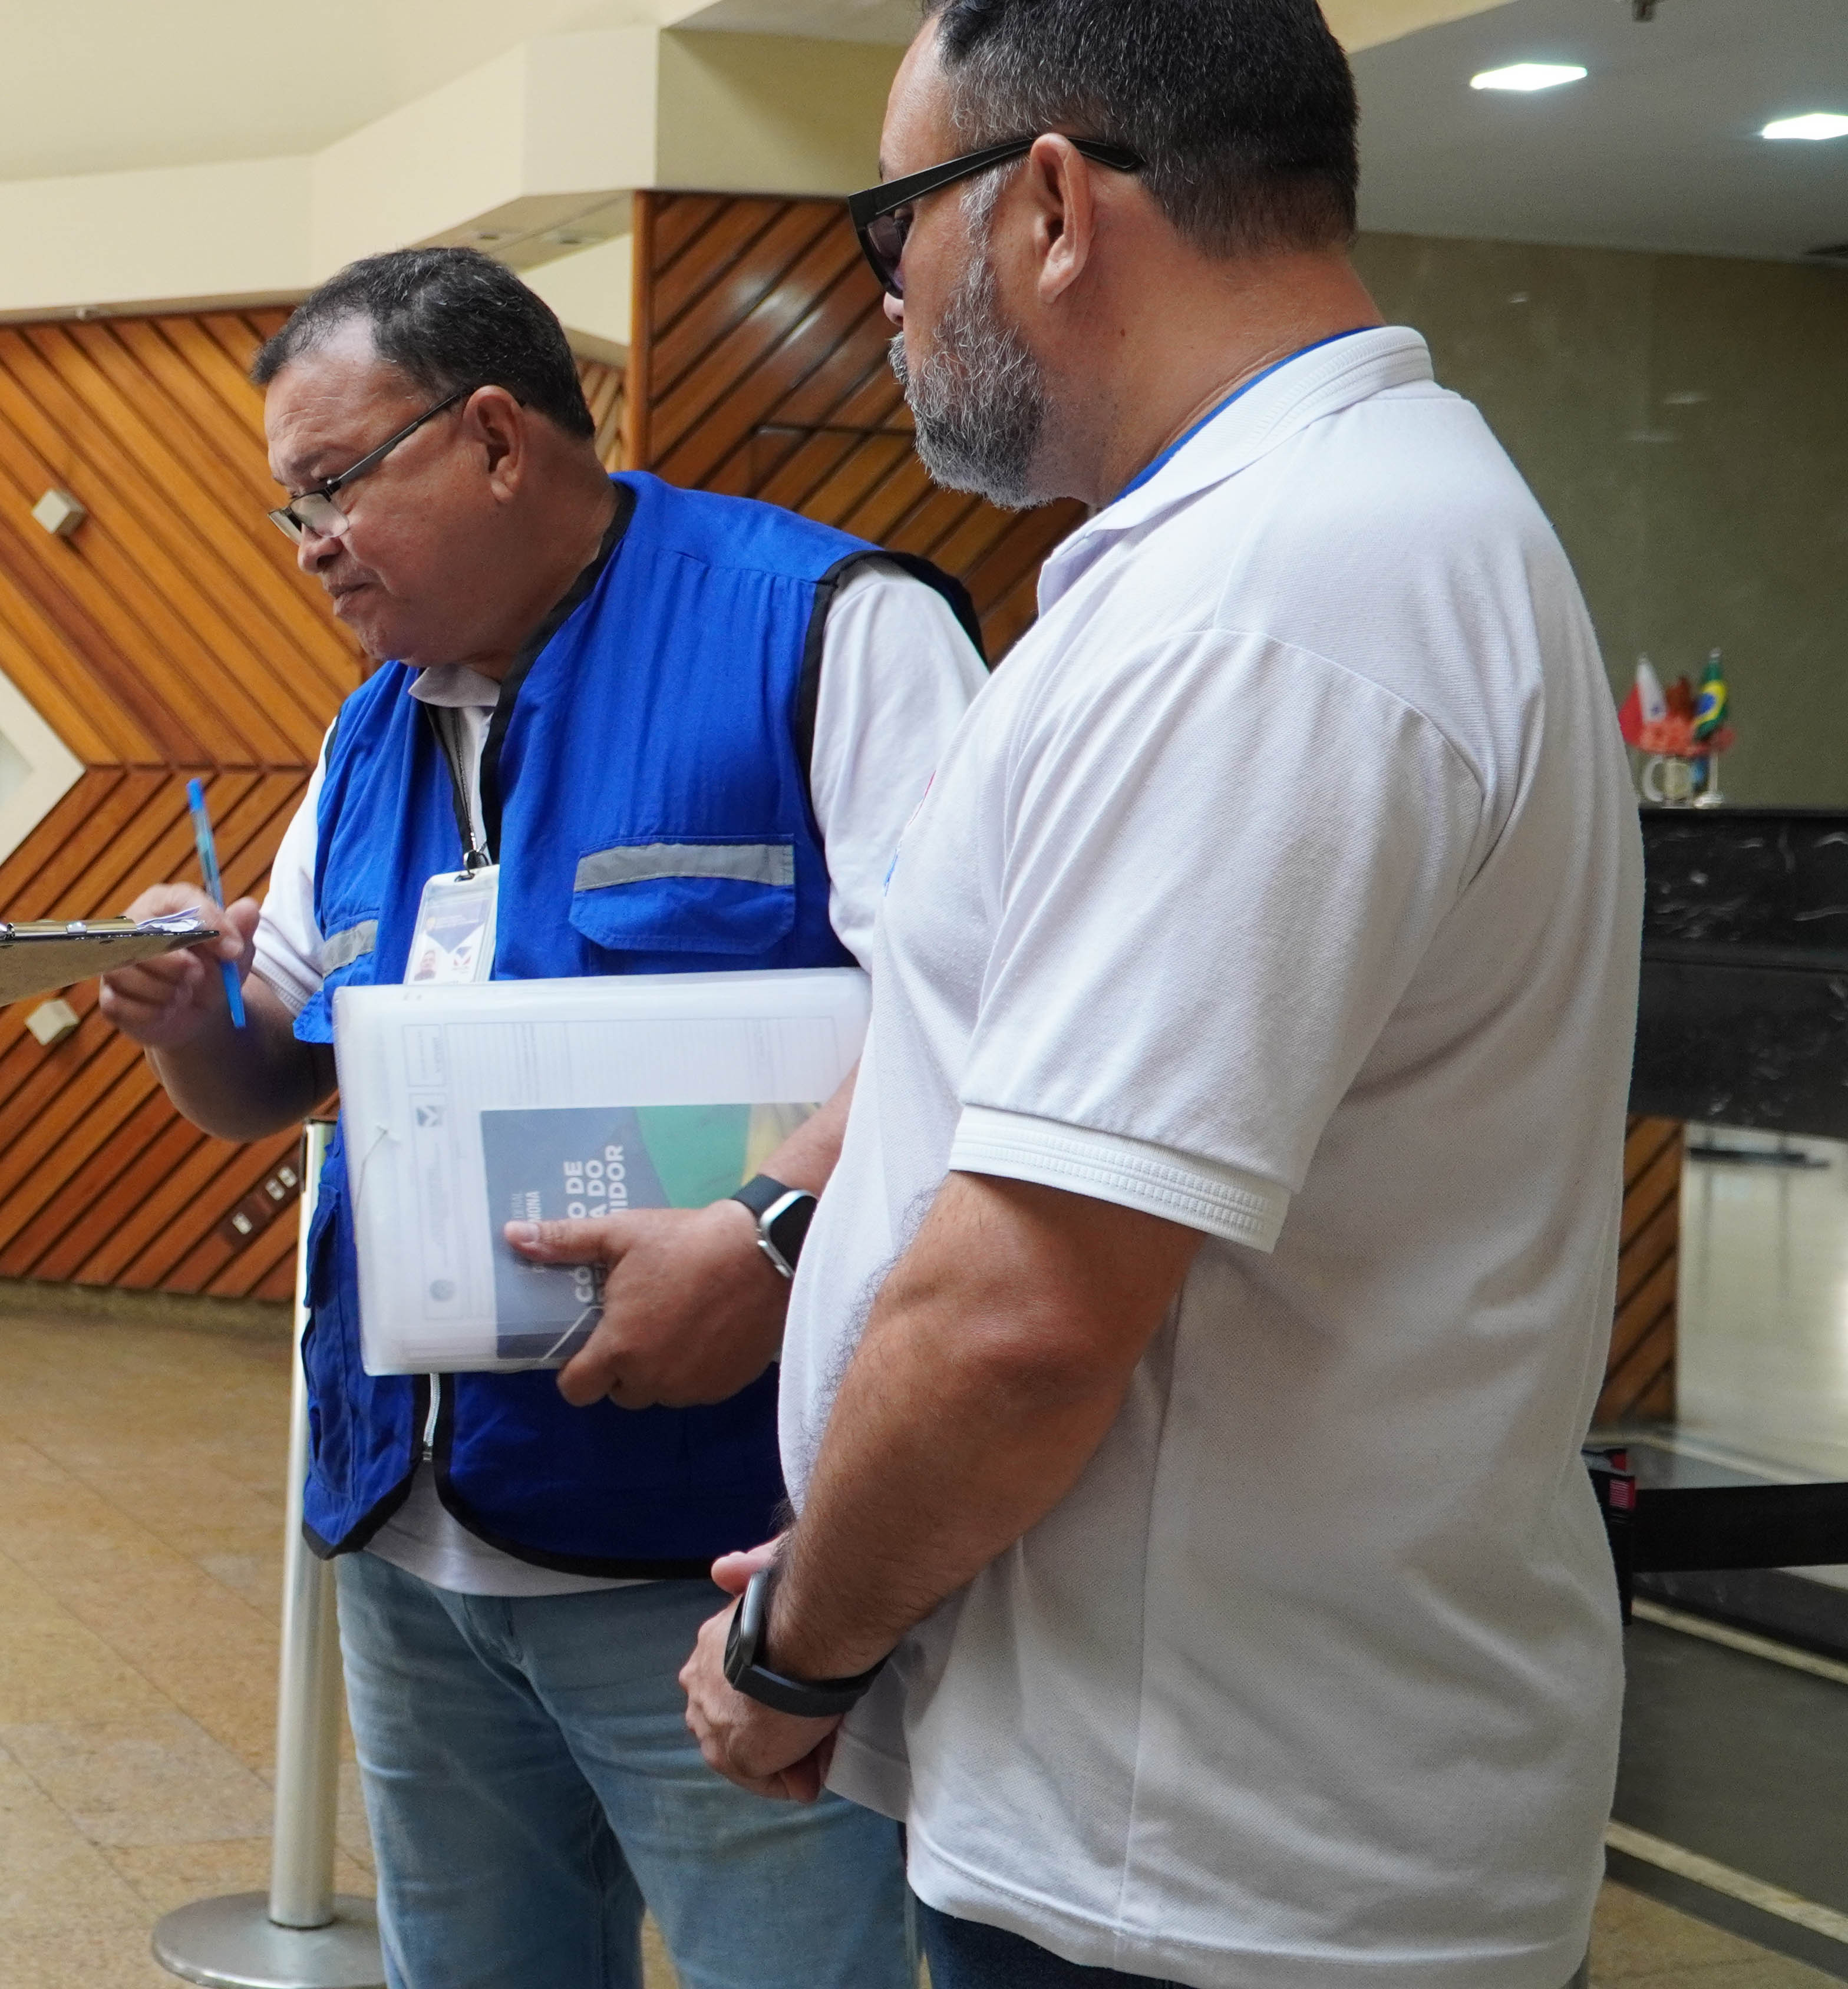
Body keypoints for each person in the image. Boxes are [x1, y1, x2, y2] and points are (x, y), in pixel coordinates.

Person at [675, 5, 1639, 1986]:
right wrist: (864, 1547)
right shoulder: (1290, 543)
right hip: (1184, 1787)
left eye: (892, 223)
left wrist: (796, 1649)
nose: (882, 297)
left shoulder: (1269, 602)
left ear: (1047, 206)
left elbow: (1023, 1323)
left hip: (1204, 1864)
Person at [98, 247, 989, 1988]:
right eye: (289, 512)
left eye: (334, 488)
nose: (310, 547)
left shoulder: (825, 630)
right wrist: (186, 1013)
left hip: (721, 1566)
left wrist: (764, 1236)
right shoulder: (373, 735)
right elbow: (271, 1077)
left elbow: (981, 1019)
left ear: (498, 439)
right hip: (412, 1555)